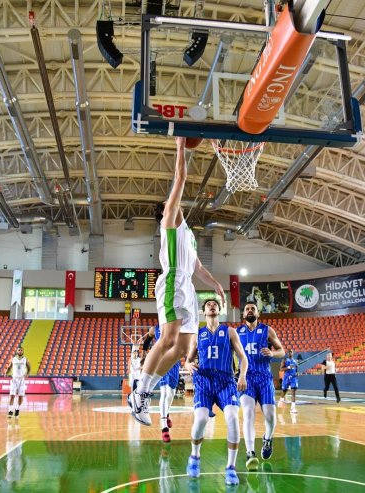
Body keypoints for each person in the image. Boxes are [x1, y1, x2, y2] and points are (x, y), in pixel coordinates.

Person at [128, 137, 225, 427]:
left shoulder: (189, 235)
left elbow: (197, 267)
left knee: (183, 349)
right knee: (167, 339)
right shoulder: (169, 221)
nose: (175, 202)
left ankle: (147, 389)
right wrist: (180, 145)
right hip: (171, 281)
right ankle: (140, 392)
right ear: (166, 210)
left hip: (188, 287)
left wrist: (217, 285)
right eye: (170, 202)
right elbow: (180, 177)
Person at [184, 299, 248, 486]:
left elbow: (243, 358)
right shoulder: (197, 335)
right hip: (204, 380)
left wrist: (242, 375)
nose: (212, 306)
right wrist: (188, 364)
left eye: (215, 304)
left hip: (226, 380)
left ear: (220, 310)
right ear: (203, 311)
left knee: (232, 418)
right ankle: (195, 457)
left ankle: (230, 468)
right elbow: (188, 360)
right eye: (208, 305)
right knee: (201, 419)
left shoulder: (229, 331)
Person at [237, 302, 286, 470]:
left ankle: (268, 438)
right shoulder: (237, 332)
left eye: (253, 308)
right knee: (248, 413)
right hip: (246, 377)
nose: (250, 310)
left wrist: (273, 353)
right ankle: (250, 452)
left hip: (265, 378)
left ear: (258, 313)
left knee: (271, 416)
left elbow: (282, 351)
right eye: (247, 308)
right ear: (243, 314)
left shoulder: (267, 330)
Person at [141, 325, 182, 443]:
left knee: (171, 393)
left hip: (174, 361)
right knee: (164, 392)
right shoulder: (155, 329)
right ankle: (164, 426)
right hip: (161, 361)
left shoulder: (178, 325)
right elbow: (147, 340)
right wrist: (144, 353)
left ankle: (166, 413)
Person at [6, 347, 31, 418]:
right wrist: (6, 372)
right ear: (17, 351)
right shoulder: (13, 358)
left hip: (22, 379)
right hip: (14, 379)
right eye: (18, 350)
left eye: (21, 350)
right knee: (12, 395)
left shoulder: (25, 359)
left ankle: (17, 409)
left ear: (23, 351)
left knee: (20, 396)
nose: (20, 351)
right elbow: (9, 367)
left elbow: (29, 368)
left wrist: (27, 373)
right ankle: (10, 411)